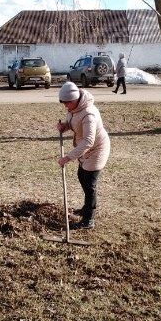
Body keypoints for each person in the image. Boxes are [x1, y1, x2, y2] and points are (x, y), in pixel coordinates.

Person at [57, 81, 110, 229]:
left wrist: (67, 157)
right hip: (85, 149)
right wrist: (65, 126)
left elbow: (88, 141)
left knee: (89, 185)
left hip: (96, 150)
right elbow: (72, 122)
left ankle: (89, 219)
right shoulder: (74, 108)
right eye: (63, 103)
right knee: (82, 175)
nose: (65, 106)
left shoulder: (89, 114)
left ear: (75, 99)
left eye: (67, 103)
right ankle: (86, 208)